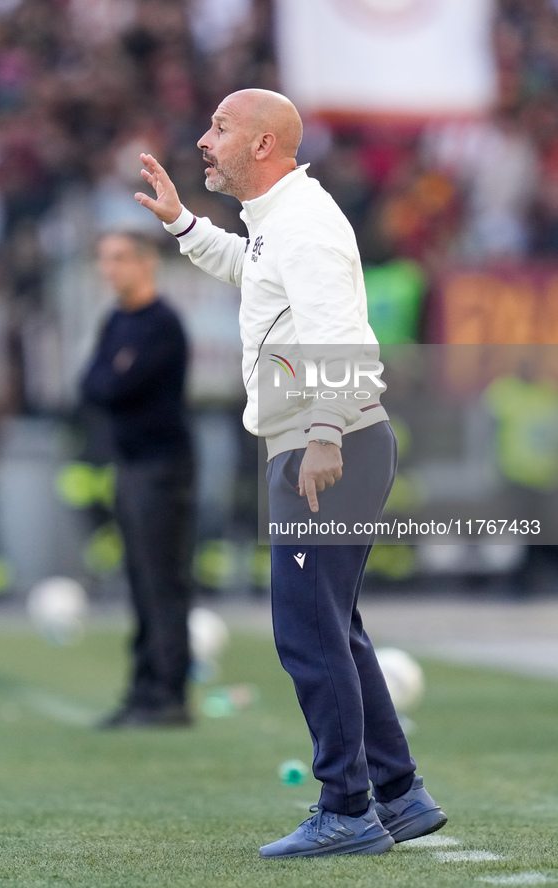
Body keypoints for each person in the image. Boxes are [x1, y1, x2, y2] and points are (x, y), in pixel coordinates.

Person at [134, 89, 447, 857]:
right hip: (331, 443)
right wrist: (182, 225)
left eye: (220, 128)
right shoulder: (282, 222)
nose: (205, 140)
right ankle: (399, 794)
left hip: (325, 448)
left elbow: (338, 334)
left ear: (264, 146)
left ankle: (345, 809)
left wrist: (321, 434)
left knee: (307, 633)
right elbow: (255, 273)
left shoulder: (302, 223)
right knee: (333, 628)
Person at [81, 231, 194, 728]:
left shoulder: (162, 324)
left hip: (162, 466)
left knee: (162, 581)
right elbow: (91, 384)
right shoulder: (115, 321)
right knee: (139, 581)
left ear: (148, 264)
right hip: (129, 465)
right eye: (105, 260)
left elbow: (118, 384)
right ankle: (143, 687)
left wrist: (113, 378)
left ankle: (168, 694)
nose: (110, 269)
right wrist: (111, 378)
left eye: (120, 258)